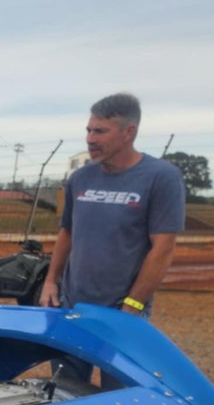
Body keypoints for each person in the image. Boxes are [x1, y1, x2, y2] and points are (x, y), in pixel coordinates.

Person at [40, 93, 185, 319]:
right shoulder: (80, 178)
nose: (90, 139)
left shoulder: (161, 177)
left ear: (129, 132)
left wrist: (132, 306)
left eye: (100, 131)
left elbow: (163, 248)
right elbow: (67, 232)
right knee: (66, 357)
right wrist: (50, 282)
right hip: (70, 306)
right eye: (88, 130)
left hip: (120, 311)